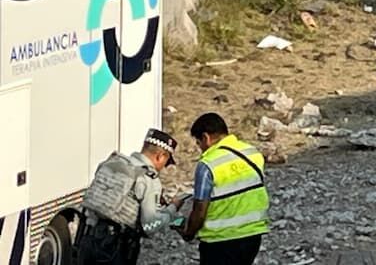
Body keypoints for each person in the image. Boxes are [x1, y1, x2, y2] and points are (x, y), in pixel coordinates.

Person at [77, 129, 181, 265]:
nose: (163, 168)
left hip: (88, 240)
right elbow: (149, 226)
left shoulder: (111, 162)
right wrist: (172, 209)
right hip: (116, 249)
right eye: (166, 162)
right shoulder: (148, 179)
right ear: (160, 156)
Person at [179, 113, 270, 265]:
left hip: (219, 241)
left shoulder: (207, 165)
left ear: (205, 137)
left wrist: (188, 232)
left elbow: (200, 210)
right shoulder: (252, 153)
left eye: (198, 142)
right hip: (253, 236)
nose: (199, 148)